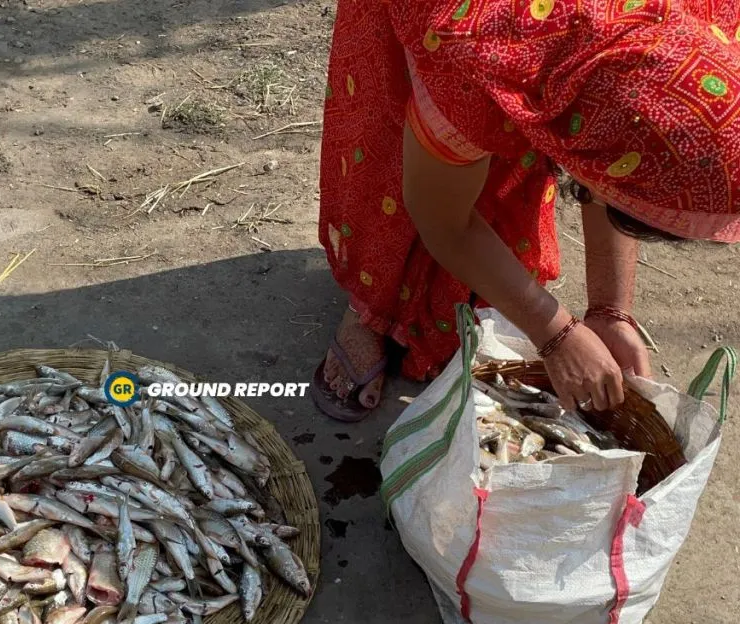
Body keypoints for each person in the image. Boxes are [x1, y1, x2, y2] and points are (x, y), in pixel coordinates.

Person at [313, 0, 740, 422]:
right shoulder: (467, 59)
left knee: (492, 177)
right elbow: (442, 221)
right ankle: (369, 307)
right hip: (453, 27)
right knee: (393, 161)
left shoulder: (700, 32)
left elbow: (626, 148)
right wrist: (555, 335)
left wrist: (611, 310)